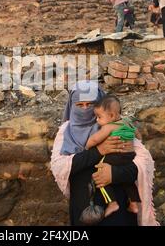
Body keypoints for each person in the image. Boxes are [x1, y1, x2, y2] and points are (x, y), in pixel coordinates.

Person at [51, 81, 158, 226]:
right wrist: (99, 151)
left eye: (90, 104)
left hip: (119, 211)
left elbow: (140, 166)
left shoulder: (116, 126)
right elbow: (61, 168)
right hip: (84, 210)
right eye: (80, 105)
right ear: (72, 105)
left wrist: (114, 174)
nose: (85, 109)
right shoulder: (66, 131)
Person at [83, 96, 141, 218]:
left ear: (112, 116)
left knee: (100, 175)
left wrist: (87, 146)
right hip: (129, 156)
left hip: (116, 156)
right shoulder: (127, 122)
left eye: (99, 117)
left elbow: (95, 139)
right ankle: (134, 203)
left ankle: (112, 203)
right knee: (128, 181)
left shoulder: (109, 126)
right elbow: (138, 136)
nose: (97, 120)